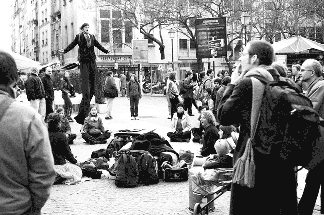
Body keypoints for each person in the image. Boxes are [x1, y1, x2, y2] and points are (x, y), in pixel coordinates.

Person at [217, 40, 298, 215]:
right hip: (281, 163)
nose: (240, 58)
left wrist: (232, 83)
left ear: (254, 58)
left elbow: (223, 116)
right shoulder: (282, 81)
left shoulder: (248, 83)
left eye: (243, 54)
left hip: (254, 162)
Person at [0, 51, 55, 214]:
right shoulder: (27, 117)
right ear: (14, 80)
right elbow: (44, 171)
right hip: (16, 207)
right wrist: (33, 206)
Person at [59, 23, 110, 125]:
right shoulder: (78, 37)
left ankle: (92, 90)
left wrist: (105, 51)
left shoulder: (92, 37)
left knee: (92, 81)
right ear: (82, 29)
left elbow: (98, 45)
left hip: (91, 59)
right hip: (83, 60)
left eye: (88, 27)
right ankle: (82, 115)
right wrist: (64, 51)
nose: (87, 29)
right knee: (86, 86)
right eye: (86, 27)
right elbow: (72, 45)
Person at [298, 59, 324, 215]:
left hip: (321, 140)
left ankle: (303, 210)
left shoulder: (320, 86)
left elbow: (308, 109)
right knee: (316, 176)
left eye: (302, 70)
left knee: (314, 177)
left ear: (312, 72)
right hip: (320, 139)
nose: (300, 72)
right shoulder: (317, 86)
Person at [47, 113, 81, 184]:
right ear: (59, 123)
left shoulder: (42, 134)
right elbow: (67, 153)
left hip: (45, 165)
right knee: (76, 171)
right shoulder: (61, 136)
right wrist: (75, 162)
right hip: (59, 164)